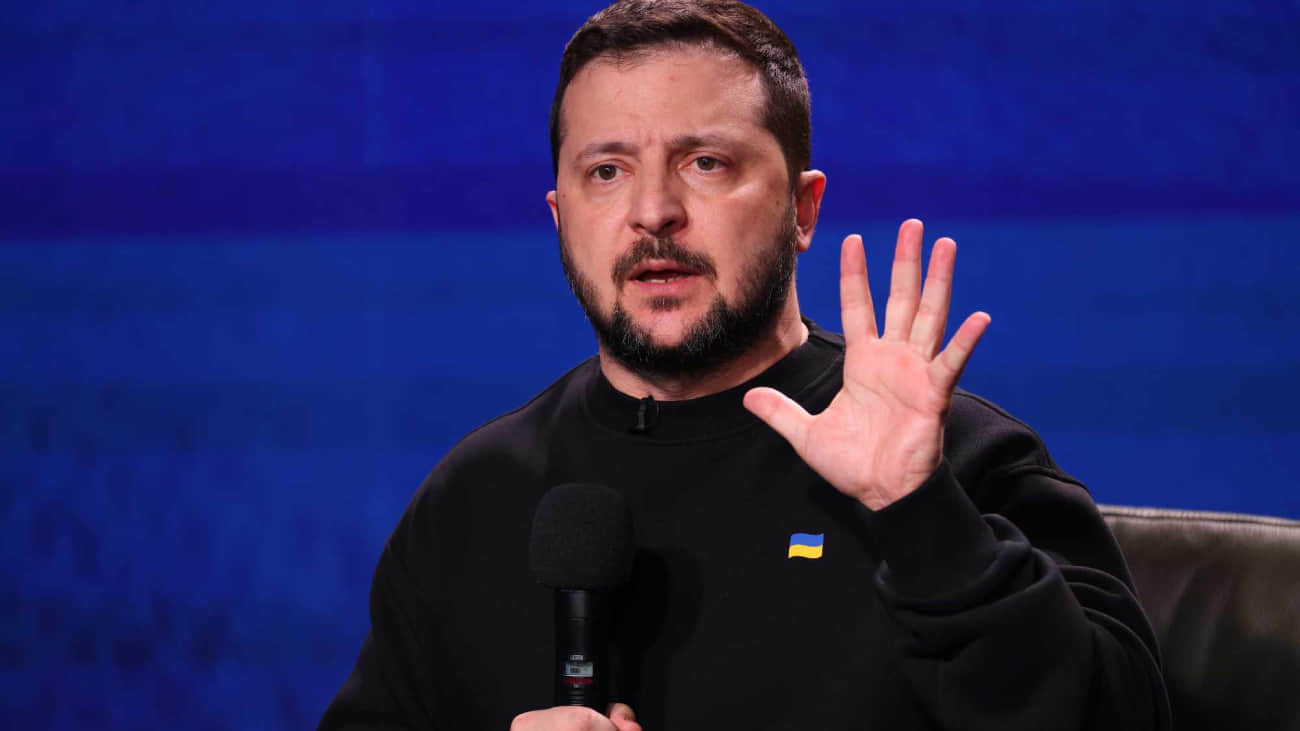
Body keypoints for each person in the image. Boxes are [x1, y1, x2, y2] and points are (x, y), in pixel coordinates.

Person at [320, 1, 1171, 729]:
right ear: (559, 217)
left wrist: (920, 517)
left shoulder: (957, 462)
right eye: (607, 171)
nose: (654, 211)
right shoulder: (473, 499)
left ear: (803, 208)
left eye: (705, 163)